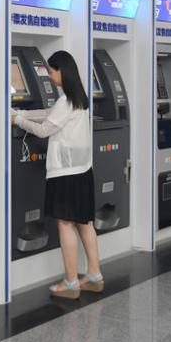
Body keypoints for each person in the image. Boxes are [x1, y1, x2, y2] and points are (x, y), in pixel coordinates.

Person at [11, 51, 101, 299]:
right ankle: (94, 275)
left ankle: (71, 282)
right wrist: (21, 113)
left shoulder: (65, 102)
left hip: (65, 172)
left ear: (62, 71)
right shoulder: (78, 98)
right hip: (83, 169)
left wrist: (19, 121)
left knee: (65, 224)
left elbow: (44, 130)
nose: (49, 76)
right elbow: (49, 113)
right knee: (85, 223)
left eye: (51, 71)